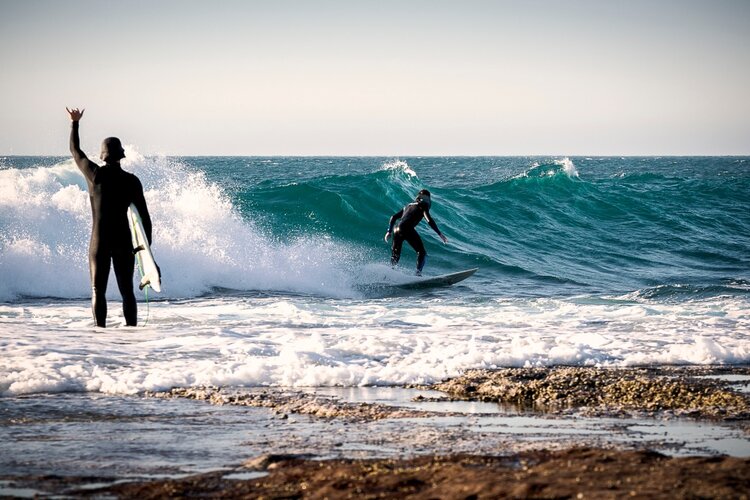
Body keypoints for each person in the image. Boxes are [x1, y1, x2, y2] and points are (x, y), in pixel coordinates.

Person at [66, 107, 153, 327]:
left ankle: (100, 337)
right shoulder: (132, 181)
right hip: (124, 242)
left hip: (100, 241)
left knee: (98, 290)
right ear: (121, 155)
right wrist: (146, 253)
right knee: (127, 292)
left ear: (103, 155)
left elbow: (75, 151)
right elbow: (145, 219)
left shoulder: (95, 175)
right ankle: (131, 333)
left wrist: (74, 123)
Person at [384, 189, 448, 275]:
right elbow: (429, 220)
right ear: (427, 198)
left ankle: (389, 274)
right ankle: (418, 274)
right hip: (407, 228)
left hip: (396, 229)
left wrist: (389, 231)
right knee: (422, 252)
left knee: (395, 255)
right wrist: (439, 233)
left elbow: (393, 217)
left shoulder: (407, 206)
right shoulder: (423, 205)